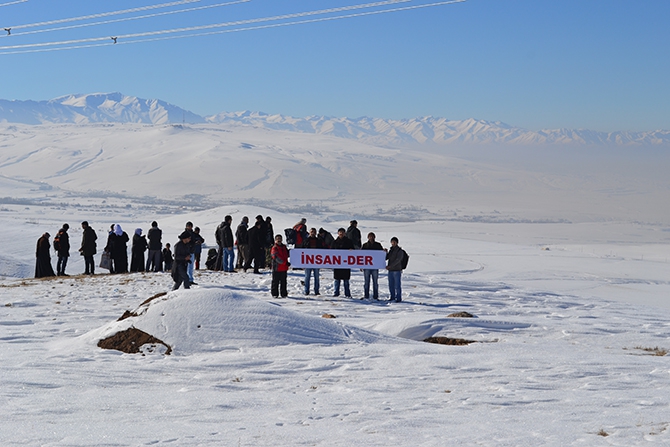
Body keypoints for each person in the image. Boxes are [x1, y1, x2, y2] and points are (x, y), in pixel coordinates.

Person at [331, 227, 354, 297]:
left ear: (345, 233)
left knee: (346, 280)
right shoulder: (334, 242)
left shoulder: (349, 242)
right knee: (337, 280)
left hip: (346, 263)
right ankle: (336, 293)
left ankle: (347, 294)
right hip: (337, 264)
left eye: (342, 232)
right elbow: (330, 252)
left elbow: (353, 251)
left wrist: (351, 250)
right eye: (340, 232)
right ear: (338, 233)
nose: (341, 233)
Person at [301, 227, 325, 295]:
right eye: (311, 231)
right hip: (307, 262)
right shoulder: (305, 241)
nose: (313, 233)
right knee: (307, 277)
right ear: (309, 232)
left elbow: (322, 251)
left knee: (317, 278)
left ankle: (316, 291)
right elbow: (301, 251)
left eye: (314, 232)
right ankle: (306, 291)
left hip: (316, 262)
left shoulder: (319, 241)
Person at [361, 232, 384, 300]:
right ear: (368, 237)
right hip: (366, 267)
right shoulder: (364, 245)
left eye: (372, 236)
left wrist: (384, 252)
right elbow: (361, 256)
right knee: (366, 282)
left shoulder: (378, 245)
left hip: (375, 267)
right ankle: (366, 295)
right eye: (370, 236)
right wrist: (361, 265)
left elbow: (382, 255)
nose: (371, 238)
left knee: (375, 283)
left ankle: (375, 296)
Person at [386, 236, 408, 302]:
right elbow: (386, 257)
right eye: (392, 242)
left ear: (397, 243)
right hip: (390, 270)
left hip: (397, 270)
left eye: (394, 242)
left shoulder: (400, 251)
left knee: (397, 285)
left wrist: (391, 266)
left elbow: (398, 260)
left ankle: (398, 298)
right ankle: (392, 297)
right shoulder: (391, 250)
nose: (393, 243)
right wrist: (384, 252)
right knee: (391, 285)